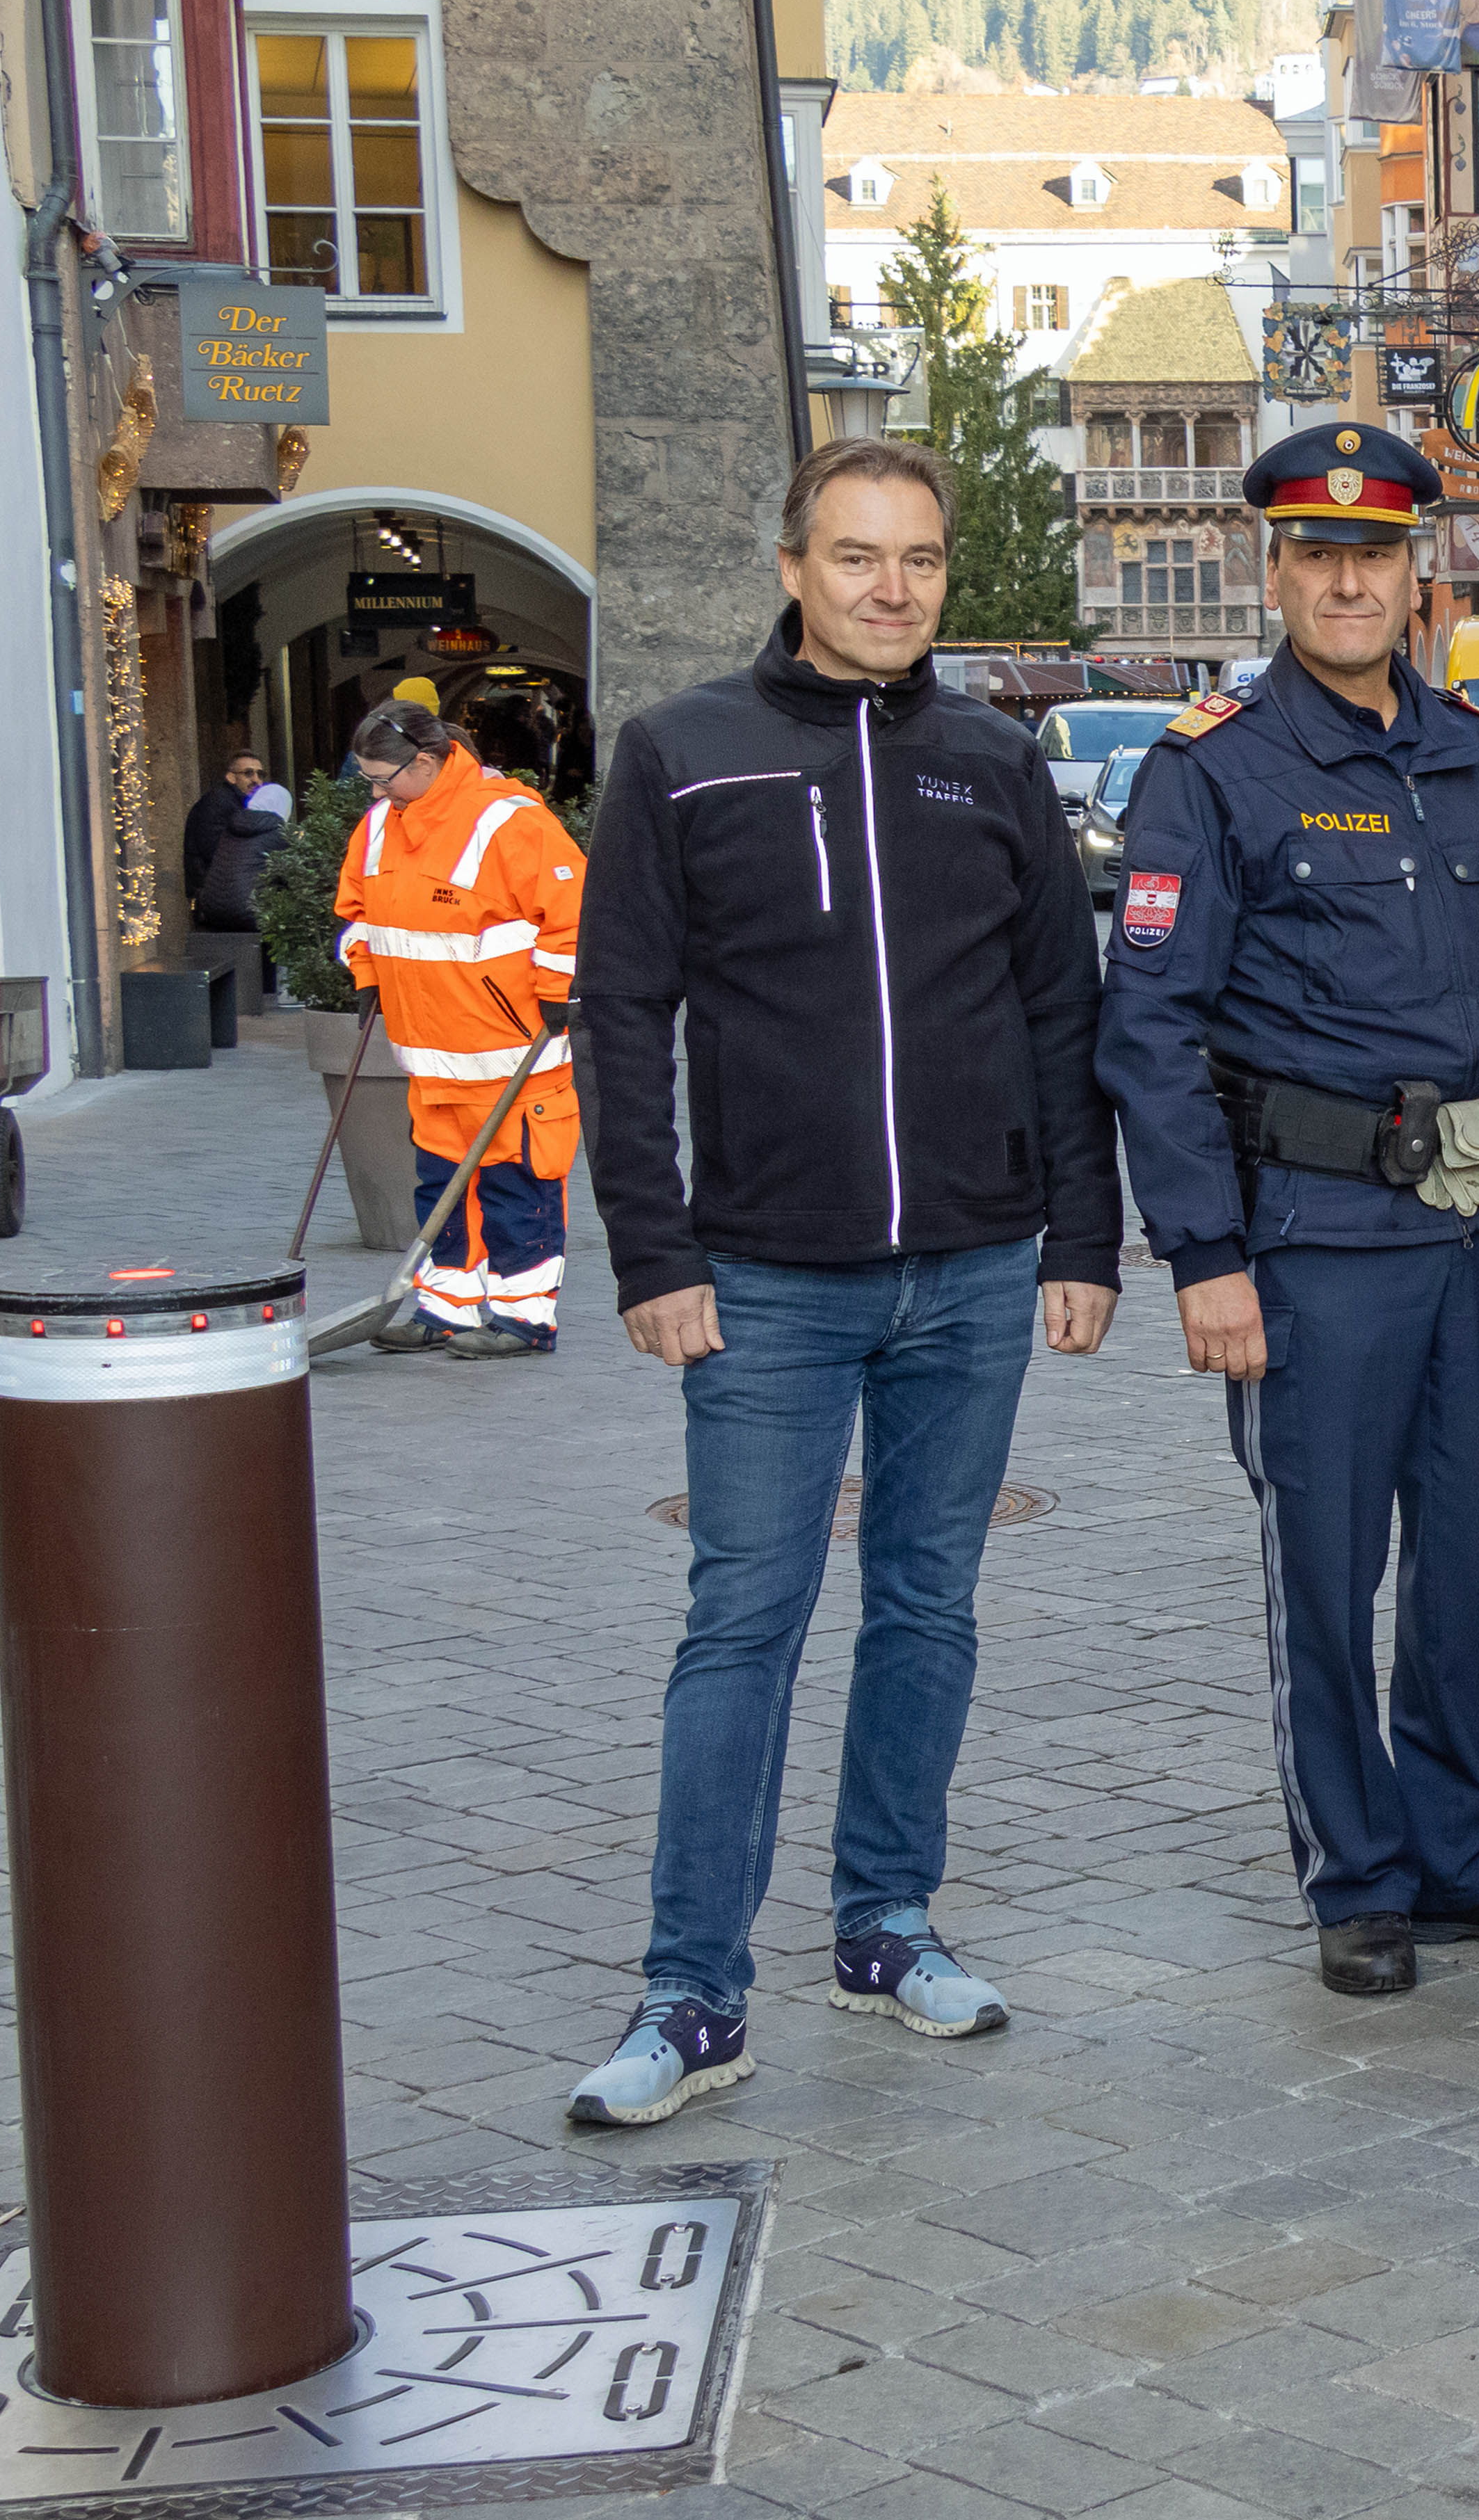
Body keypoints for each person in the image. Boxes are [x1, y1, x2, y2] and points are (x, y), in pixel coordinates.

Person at [566, 437, 1124, 2126]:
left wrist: (1083, 1238)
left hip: (969, 1268)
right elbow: (620, 1018)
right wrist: (655, 1253)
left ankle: (885, 1925)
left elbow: (1059, 1017)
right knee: (742, 1622)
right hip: (764, 1281)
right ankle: (692, 1993)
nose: (894, 588)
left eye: (924, 561)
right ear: (795, 566)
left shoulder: (994, 763)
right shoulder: (683, 755)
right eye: (860, 556)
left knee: (929, 1609)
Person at [1093, 420, 1479, 2001]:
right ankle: (1360, 1877)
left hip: (1471, 1234)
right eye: (1316, 554)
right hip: (1313, 1235)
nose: (1346, 580)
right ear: (1276, 568)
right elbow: (1151, 1032)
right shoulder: (1214, 769)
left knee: (1471, 1558)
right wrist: (1208, 1254)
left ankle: (1466, 1854)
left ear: (1417, 570)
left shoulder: (1473, 756)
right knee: (1326, 1566)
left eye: (1374, 553)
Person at [333, 700, 582, 1360]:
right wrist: (365, 972)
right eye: (369, 781)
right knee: (440, 1188)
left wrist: (560, 995)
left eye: (384, 777)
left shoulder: (509, 820)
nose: (377, 792)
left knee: (515, 1187)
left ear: (425, 761)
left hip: (512, 1050)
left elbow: (572, 913)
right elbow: (358, 911)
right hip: (432, 1058)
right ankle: (447, 1309)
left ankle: (525, 1319)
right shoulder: (381, 824)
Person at [186, 748, 283, 934]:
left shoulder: (240, 805)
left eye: (260, 774)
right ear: (231, 777)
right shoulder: (219, 803)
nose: (256, 779)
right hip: (217, 901)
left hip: (222, 899)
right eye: (248, 773)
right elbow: (217, 853)